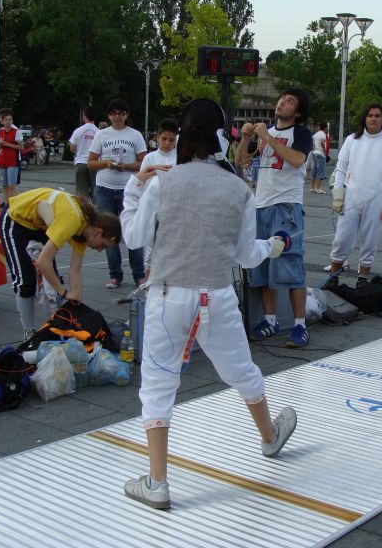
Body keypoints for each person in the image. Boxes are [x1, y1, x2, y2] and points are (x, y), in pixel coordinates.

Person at [119, 98, 297, 510]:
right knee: (241, 371)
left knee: (158, 385)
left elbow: (133, 237)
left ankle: (157, 482)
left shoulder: (163, 182)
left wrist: (135, 187)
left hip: (168, 296)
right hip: (216, 297)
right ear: (220, 137)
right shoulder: (238, 188)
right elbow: (246, 256)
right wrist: (272, 246)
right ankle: (270, 437)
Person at [235, 88, 312, 347]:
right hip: (261, 205)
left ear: (297, 112)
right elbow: (241, 161)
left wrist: (268, 137)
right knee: (262, 261)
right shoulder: (264, 131)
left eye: (290, 101)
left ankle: (300, 325)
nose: (282, 103)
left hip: (286, 206)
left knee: (290, 263)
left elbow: (297, 160)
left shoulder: (300, 133)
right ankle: (270, 319)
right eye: (282, 99)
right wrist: (246, 138)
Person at [0, 187, 120, 340]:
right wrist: (64, 293)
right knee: (26, 282)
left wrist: (76, 294)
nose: (100, 250)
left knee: (52, 284)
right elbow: (43, 262)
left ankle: (59, 329)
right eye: (103, 245)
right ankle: (28, 333)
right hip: (15, 220)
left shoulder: (84, 232)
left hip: (39, 226)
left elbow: (75, 270)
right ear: (98, 232)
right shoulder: (72, 220)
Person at [328, 104, 382, 286]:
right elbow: (340, 168)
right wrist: (338, 196)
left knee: (370, 241)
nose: (373, 118)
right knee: (342, 239)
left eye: (377, 115)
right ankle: (333, 277)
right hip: (351, 196)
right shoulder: (352, 140)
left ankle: (362, 279)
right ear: (365, 118)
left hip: (376, 199)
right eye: (370, 115)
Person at [87, 98, 147, 288]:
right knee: (107, 232)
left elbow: (143, 163)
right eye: (113, 113)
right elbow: (90, 163)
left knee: (133, 230)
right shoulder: (101, 135)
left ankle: (139, 274)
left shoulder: (135, 135)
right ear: (109, 116)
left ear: (126, 115)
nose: (117, 117)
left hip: (128, 189)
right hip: (104, 188)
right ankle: (115, 274)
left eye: (121, 113)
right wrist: (106, 163)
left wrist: (126, 166)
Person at [135, 118, 178, 279]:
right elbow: (140, 181)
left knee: (171, 245)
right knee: (150, 247)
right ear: (157, 137)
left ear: (176, 140)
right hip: (152, 207)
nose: (167, 143)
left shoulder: (180, 158)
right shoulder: (150, 158)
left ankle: (169, 280)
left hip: (172, 209)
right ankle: (149, 282)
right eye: (164, 138)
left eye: (171, 140)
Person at [69, 106, 99, 200]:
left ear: (84, 116)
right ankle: (95, 208)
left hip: (81, 162)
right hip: (94, 163)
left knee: (81, 193)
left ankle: (83, 208)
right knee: (95, 191)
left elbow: (72, 148)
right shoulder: (99, 132)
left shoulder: (78, 131)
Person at [0, 108, 23, 203]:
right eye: (6, 120)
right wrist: (0, 145)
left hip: (12, 161)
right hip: (2, 161)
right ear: (2, 121)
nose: (8, 122)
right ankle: (7, 205)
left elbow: (21, 147)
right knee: (4, 185)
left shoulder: (16, 131)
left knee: (12, 186)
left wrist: (7, 144)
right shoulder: (0, 131)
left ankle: (14, 205)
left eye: (10, 119)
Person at [309, 122, 328, 194]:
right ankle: (318, 188)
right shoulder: (323, 134)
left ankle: (312, 188)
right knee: (320, 171)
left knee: (314, 171)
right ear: (325, 128)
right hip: (320, 153)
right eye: (327, 128)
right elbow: (322, 142)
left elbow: (312, 144)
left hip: (315, 153)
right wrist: (324, 150)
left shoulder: (315, 134)